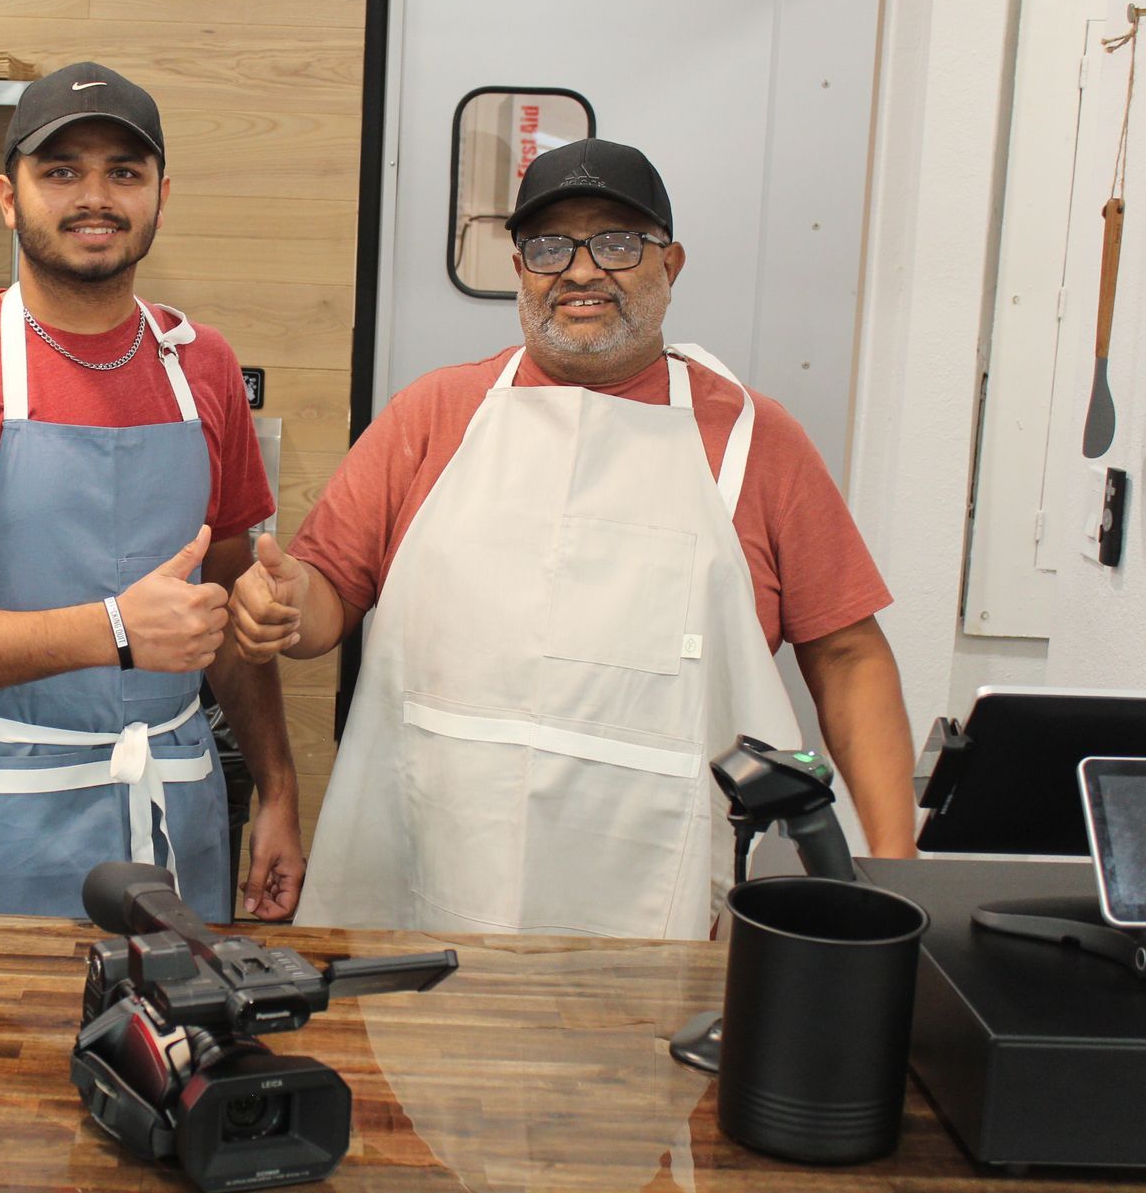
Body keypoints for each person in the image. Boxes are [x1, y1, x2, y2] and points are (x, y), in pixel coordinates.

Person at [231, 137, 916, 938]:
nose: (582, 270)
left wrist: (894, 872)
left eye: (619, 243)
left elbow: (847, 657)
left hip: (656, 895)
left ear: (672, 264)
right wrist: (280, 603)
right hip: (433, 868)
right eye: (550, 246)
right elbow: (329, 596)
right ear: (521, 269)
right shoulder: (436, 414)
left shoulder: (754, 442)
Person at [0, 62, 305, 924]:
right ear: (8, 197)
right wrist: (118, 629)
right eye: (61, 171)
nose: (95, 196)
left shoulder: (203, 368)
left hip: (174, 819)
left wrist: (278, 788)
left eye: (123, 172)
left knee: (177, 1055)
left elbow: (231, 606)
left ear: (161, 196)